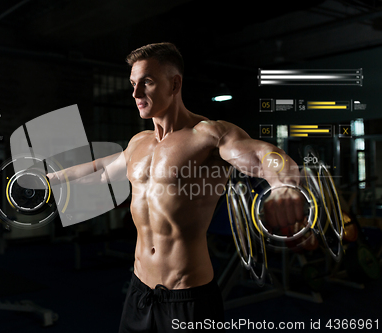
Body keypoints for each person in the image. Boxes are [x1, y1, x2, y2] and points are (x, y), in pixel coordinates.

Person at [48, 42, 304, 332]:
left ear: (175, 83)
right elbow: (102, 169)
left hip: (188, 297)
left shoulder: (208, 135)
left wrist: (283, 185)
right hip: (139, 291)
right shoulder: (138, 143)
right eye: (132, 84)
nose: (135, 94)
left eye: (146, 82)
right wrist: (53, 179)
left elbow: (265, 155)